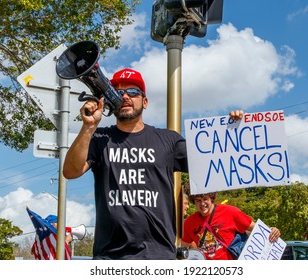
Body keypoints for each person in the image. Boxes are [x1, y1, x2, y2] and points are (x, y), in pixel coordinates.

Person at [63, 67, 243, 259]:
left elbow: (212, 164)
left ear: (145, 101)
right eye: (118, 92)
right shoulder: (99, 138)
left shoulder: (168, 140)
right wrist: (88, 126)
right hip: (109, 257)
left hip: (158, 256)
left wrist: (233, 130)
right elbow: (70, 171)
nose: (125, 97)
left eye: (133, 92)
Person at [181, 183, 281, 260]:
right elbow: (183, 250)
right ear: (193, 201)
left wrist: (271, 230)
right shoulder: (189, 223)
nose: (202, 203)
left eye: (205, 199)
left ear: (211, 198)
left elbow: (259, 229)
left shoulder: (230, 212)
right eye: (198, 200)